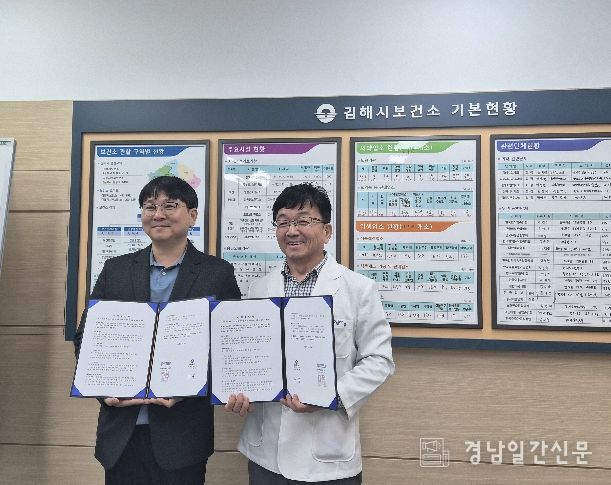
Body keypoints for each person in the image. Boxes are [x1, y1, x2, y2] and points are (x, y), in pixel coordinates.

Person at [74, 175, 241, 484]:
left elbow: (230, 347)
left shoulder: (217, 273)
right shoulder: (115, 270)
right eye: (150, 206)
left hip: (182, 435)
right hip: (121, 434)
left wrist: (187, 389)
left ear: (192, 215)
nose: (158, 214)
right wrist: (104, 391)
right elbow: (87, 339)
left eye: (170, 206)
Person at [225, 183, 394, 484]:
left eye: (303, 220)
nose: (292, 230)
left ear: (327, 231)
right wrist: (240, 392)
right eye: (283, 222)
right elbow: (248, 358)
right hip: (267, 455)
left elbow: (379, 360)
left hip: (328, 458)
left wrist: (332, 396)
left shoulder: (358, 289)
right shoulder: (258, 289)